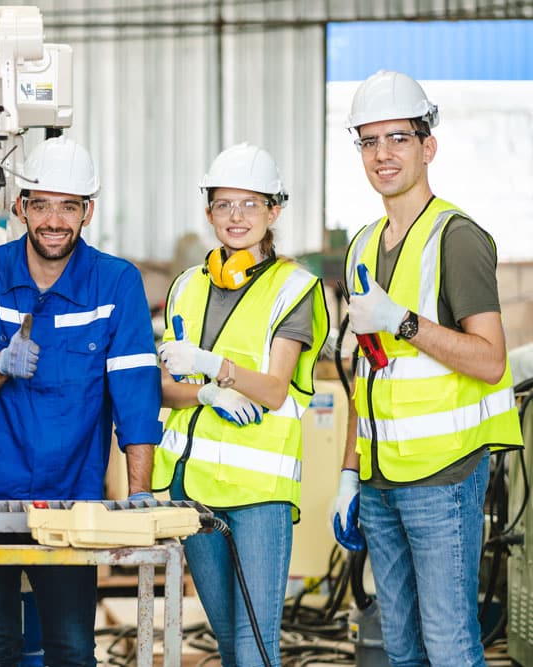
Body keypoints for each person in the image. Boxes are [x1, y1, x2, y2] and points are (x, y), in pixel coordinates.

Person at [0, 136, 161, 667]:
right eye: (41, 204)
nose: (54, 219)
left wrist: (138, 496)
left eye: (69, 205)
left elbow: (134, 392)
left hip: (71, 500)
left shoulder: (115, 283)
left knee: (72, 647)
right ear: (19, 208)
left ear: (88, 212)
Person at [330, 70, 523, 666]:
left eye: (398, 138)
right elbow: (366, 376)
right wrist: (348, 473)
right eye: (369, 141)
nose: (383, 154)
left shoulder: (457, 238)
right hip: (382, 479)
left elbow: (490, 360)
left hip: (442, 477)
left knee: (448, 645)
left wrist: (404, 321)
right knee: (401, 648)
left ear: (427, 146)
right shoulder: (363, 243)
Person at [152, 142, 328, 666]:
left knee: (255, 646)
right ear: (208, 211)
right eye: (224, 204)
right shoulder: (185, 287)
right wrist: (205, 392)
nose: (236, 217)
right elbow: (158, 387)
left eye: (251, 204)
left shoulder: (292, 288)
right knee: (228, 640)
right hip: (193, 486)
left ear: (274, 211)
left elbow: (275, 389)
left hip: (258, 493)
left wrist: (214, 367)